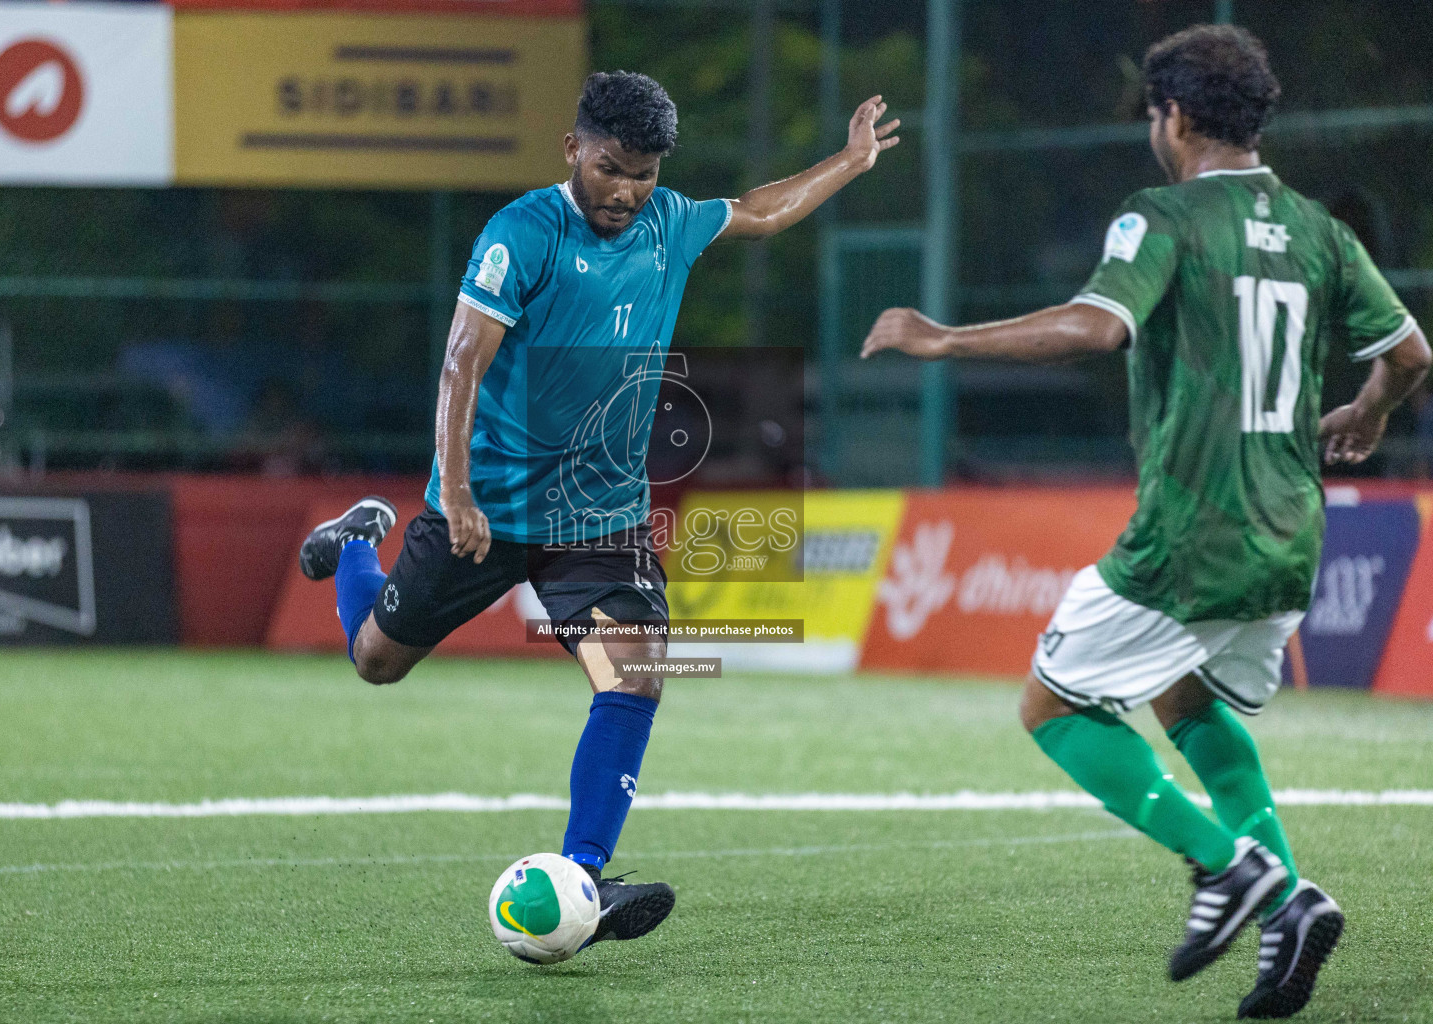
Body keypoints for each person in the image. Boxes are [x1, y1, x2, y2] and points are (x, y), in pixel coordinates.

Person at [861, 25, 1428, 1019]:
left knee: (1048, 705)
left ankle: (1242, 872)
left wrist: (942, 337)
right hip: (1292, 532)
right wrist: (1369, 411)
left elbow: (1097, 324)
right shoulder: (1318, 229)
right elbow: (1412, 351)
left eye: (1154, 116)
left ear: (1173, 116)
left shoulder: (1162, 214)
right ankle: (1287, 913)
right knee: (1178, 692)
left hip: (1190, 534)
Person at [299, 70, 899, 951]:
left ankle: (585, 877)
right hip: (488, 508)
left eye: (646, 173)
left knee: (636, 676)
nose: (628, 191)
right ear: (572, 149)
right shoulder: (521, 234)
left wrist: (847, 162)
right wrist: (457, 490)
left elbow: (760, 211)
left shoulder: (669, 224)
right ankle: (356, 544)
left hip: (600, 515)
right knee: (376, 662)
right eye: (613, 168)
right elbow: (462, 362)